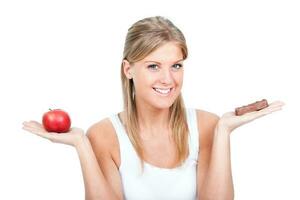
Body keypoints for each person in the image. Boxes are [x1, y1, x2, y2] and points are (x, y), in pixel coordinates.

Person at [22, 16, 285, 200]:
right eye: (153, 66)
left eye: (176, 65)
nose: (168, 80)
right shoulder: (104, 135)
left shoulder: (207, 126)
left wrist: (224, 131)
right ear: (128, 69)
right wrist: (81, 144)